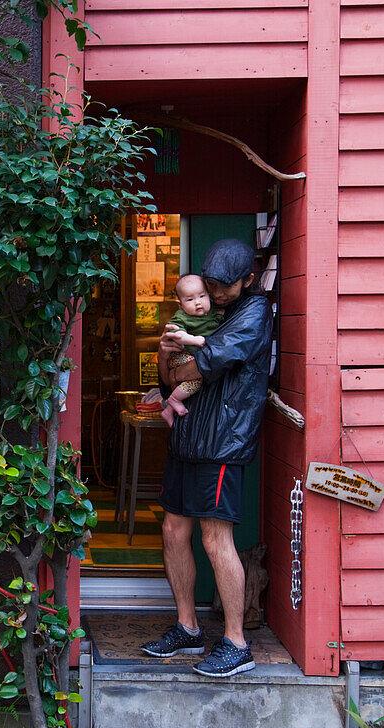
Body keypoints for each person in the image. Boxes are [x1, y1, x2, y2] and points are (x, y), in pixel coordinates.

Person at [140, 238, 272, 679]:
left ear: (248, 280)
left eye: (224, 287)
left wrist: (181, 365)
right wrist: (164, 357)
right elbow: (169, 374)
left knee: (217, 539)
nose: (214, 294)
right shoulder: (206, 310)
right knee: (174, 530)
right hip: (187, 436)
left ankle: (236, 642)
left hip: (222, 442)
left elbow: (207, 362)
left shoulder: (254, 312)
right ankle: (187, 626)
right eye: (210, 285)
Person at [159, 274, 223, 427]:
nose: (198, 302)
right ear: (180, 304)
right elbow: (177, 334)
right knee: (196, 377)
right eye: (190, 299)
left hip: (194, 358)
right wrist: (195, 340)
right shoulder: (182, 317)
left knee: (198, 371)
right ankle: (173, 400)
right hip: (181, 355)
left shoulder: (214, 312)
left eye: (202, 296)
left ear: (209, 296)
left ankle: (169, 409)